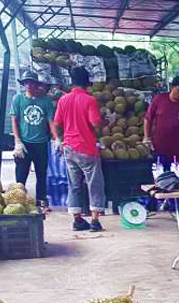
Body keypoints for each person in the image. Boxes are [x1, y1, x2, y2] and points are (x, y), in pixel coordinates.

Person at [53, 67, 105, 232]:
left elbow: (57, 123)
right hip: (87, 147)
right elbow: (96, 124)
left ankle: (77, 220)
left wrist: (60, 139)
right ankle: (95, 221)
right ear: (87, 82)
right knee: (94, 183)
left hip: (69, 147)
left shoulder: (63, 100)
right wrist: (105, 123)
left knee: (74, 185)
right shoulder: (90, 100)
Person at [11, 70, 56, 208]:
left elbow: (50, 121)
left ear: (36, 85)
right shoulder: (18, 99)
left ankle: (41, 201)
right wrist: (17, 141)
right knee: (21, 175)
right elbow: (14, 120)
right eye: (26, 83)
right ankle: (19, 201)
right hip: (24, 143)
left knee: (41, 174)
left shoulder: (46, 101)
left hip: (41, 143)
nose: (28, 85)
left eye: (31, 83)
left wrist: (56, 138)